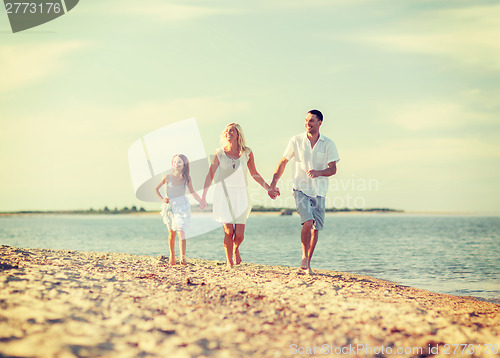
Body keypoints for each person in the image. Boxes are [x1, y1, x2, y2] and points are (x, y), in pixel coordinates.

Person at [200, 123, 279, 268]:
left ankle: (235, 249)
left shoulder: (247, 153)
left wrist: (269, 188)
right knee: (228, 231)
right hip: (224, 194)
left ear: (238, 135)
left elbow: (255, 174)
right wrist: (203, 196)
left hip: (241, 194)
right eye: (227, 131)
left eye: (232, 131)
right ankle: (229, 262)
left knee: (240, 235)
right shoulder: (220, 153)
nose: (229, 133)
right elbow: (210, 175)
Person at [270, 110, 339, 274]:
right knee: (307, 222)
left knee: (316, 229)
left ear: (320, 122)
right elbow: (283, 161)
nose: (308, 123)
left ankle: (308, 262)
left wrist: (318, 172)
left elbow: (333, 169)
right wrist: (273, 183)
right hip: (301, 188)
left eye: (312, 121)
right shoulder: (296, 140)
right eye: (306, 120)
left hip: (320, 191)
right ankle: (303, 257)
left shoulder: (328, 143)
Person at [155, 154, 204, 265]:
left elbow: (192, 192)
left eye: (179, 162)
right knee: (172, 233)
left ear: (184, 165)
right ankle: (172, 255)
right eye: (175, 162)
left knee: (181, 231)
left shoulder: (187, 177)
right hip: (170, 206)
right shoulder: (168, 177)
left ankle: (182, 258)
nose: (176, 164)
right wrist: (163, 199)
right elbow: (156, 189)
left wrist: (201, 200)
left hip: (182, 205)